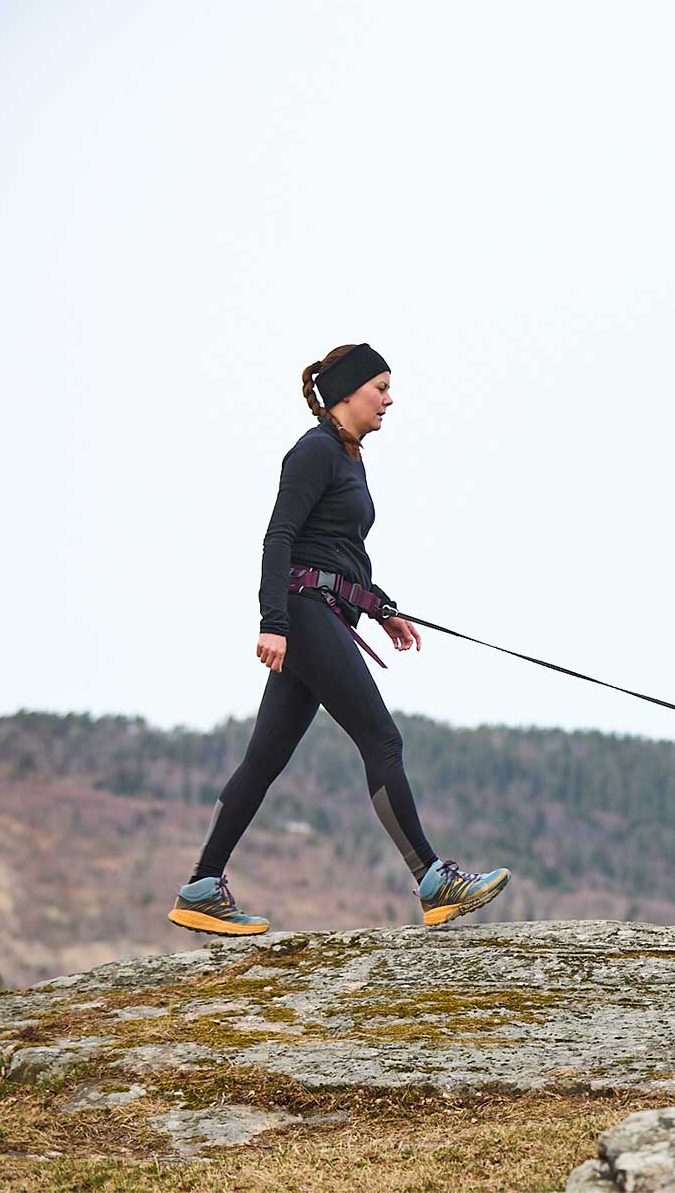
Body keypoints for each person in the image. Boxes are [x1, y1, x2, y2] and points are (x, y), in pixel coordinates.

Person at [168, 343, 509, 936]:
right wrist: (272, 621)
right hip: (302, 615)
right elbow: (280, 539)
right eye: (381, 387)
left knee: (263, 760)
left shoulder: (349, 456)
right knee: (382, 738)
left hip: (325, 613)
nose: (390, 399)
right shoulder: (314, 451)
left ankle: (201, 887)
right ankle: (434, 880)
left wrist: (381, 609)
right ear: (348, 393)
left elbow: (341, 552)